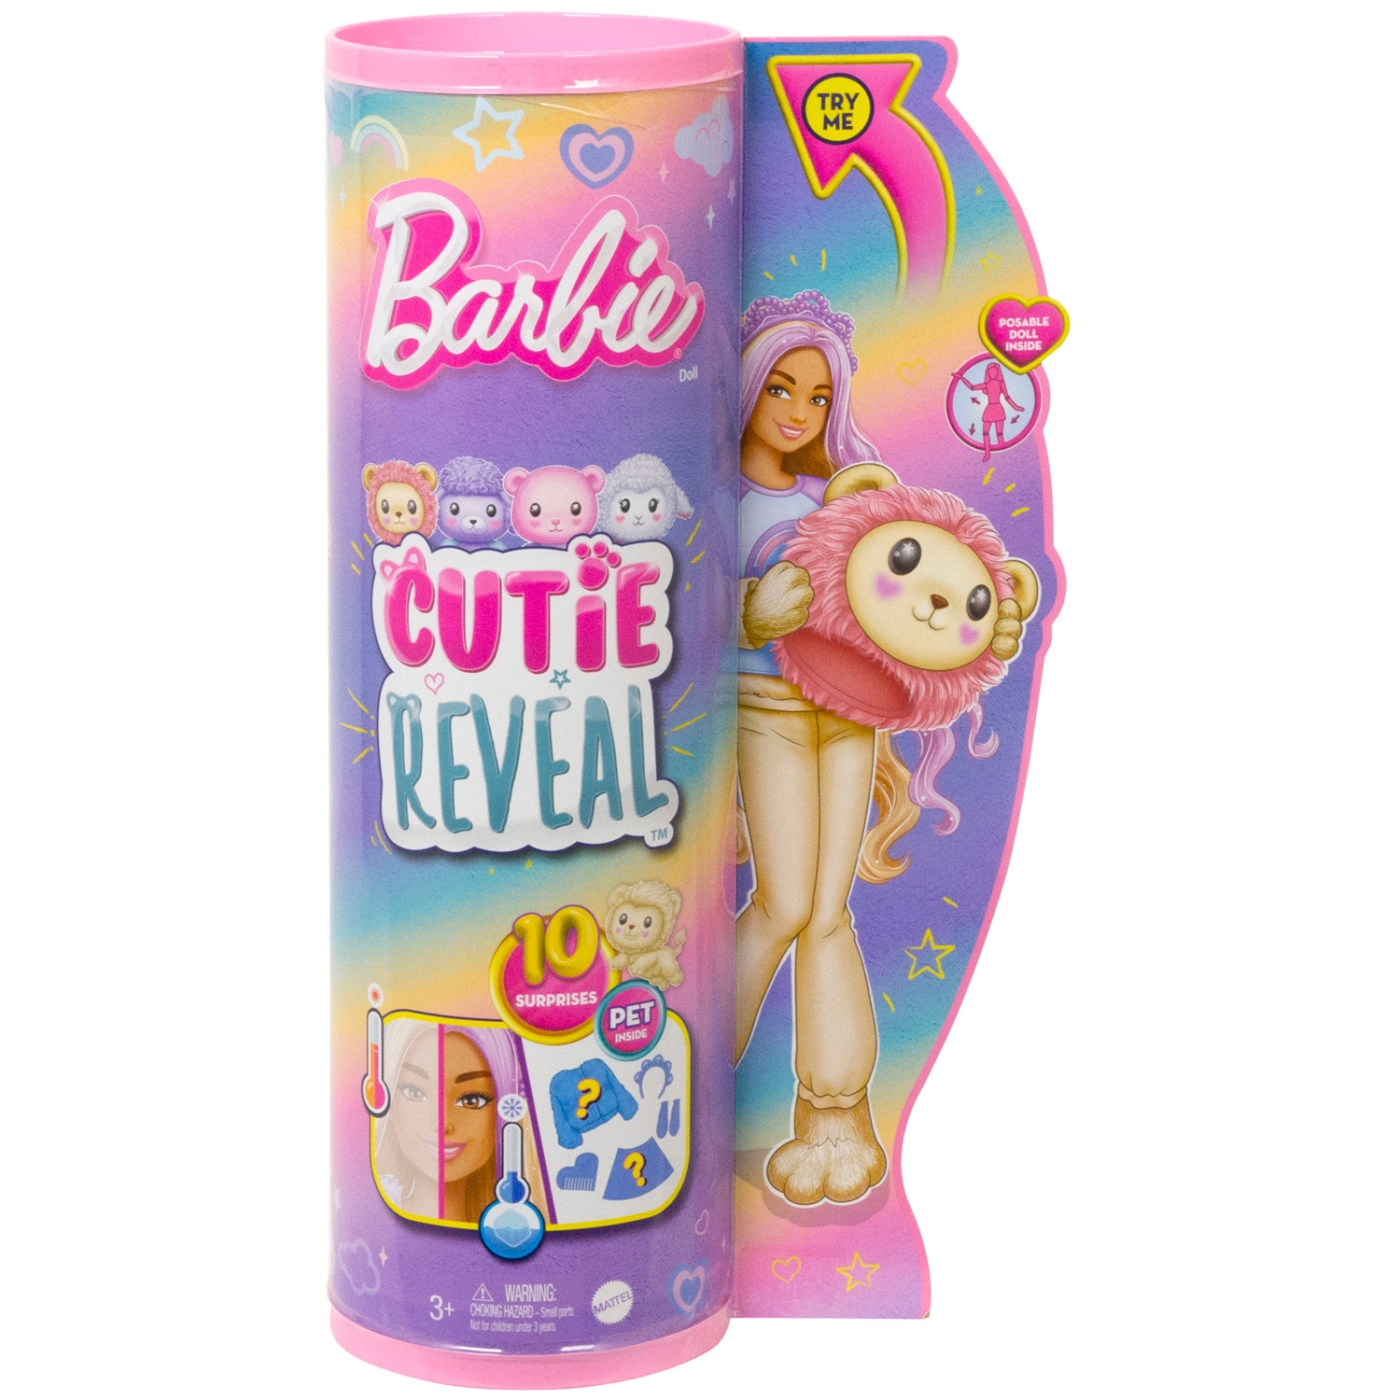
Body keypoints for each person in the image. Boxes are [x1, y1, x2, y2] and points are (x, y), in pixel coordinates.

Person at [735, 291, 919, 1206]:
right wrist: (748, 612)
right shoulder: (715, 494)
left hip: (845, 713)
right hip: (762, 705)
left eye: (817, 396)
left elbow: (892, 601)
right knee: (782, 902)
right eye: (781, 388)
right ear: (746, 388)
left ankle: (834, 1117)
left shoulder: (833, 496)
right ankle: (685, 1071)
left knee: (827, 911)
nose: (799, 411)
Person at [374, 1019, 522, 1223]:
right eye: (414, 1092)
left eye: (471, 1100)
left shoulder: (519, 1218)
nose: (441, 1125)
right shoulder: (373, 1207)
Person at [952, 359, 1025, 461]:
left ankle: (1004, 455)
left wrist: (1015, 407)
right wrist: (961, 378)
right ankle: (987, 453)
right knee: (985, 432)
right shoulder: (986, 384)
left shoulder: (1001, 383)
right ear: (988, 373)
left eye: (994, 371)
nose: (992, 373)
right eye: (990, 372)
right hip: (989, 409)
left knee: (999, 433)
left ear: (998, 372)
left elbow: (1007, 397)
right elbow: (972, 387)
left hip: (998, 408)